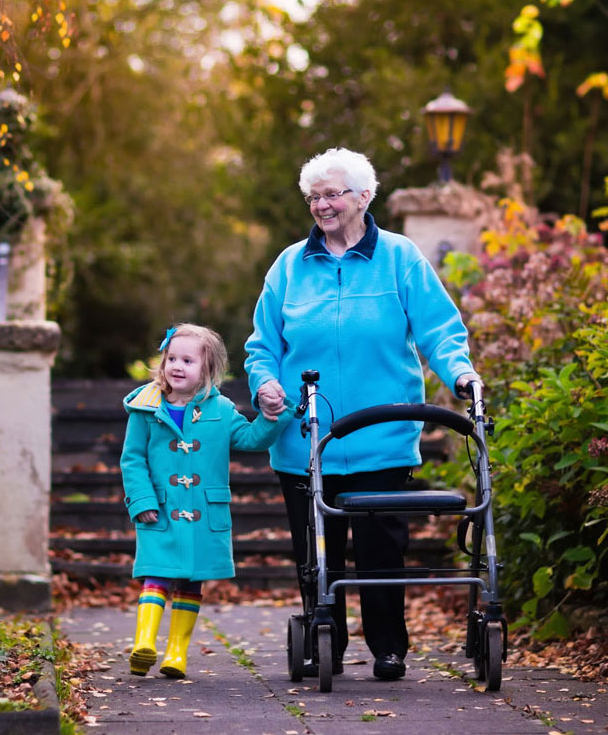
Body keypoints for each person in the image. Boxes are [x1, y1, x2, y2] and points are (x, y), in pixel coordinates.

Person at [244, 147, 479, 681]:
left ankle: (388, 648)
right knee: (315, 550)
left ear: (363, 197)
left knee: (382, 548)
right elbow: (263, 346)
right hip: (305, 438)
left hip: (383, 432)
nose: (322, 206)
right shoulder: (288, 266)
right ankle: (324, 636)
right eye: (314, 197)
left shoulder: (400, 258)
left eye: (332, 194)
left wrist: (461, 373)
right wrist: (266, 385)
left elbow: (439, 330)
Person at [121, 322, 294, 679]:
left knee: (191, 581)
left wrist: (275, 416)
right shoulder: (145, 408)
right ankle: (143, 642)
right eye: (171, 358)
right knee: (155, 573)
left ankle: (176, 654)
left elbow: (250, 438)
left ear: (208, 370)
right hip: (161, 509)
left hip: (202, 513)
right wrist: (141, 500)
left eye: (188, 360)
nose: (177, 366)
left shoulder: (221, 409)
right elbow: (132, 459)